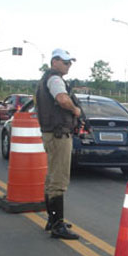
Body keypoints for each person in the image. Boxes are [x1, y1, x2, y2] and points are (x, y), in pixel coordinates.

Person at [36, 48, 81, 240]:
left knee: (52, 177)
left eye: (69, 62)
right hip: (58, 135)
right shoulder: (55, 80)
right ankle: (57, 224)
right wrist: (75, 110)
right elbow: (62, 99)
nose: (68, 65)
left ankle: (52, 219)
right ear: (54, 62)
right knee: (59, 180)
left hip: (52, 133)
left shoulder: (48, 78)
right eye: (65, 62)